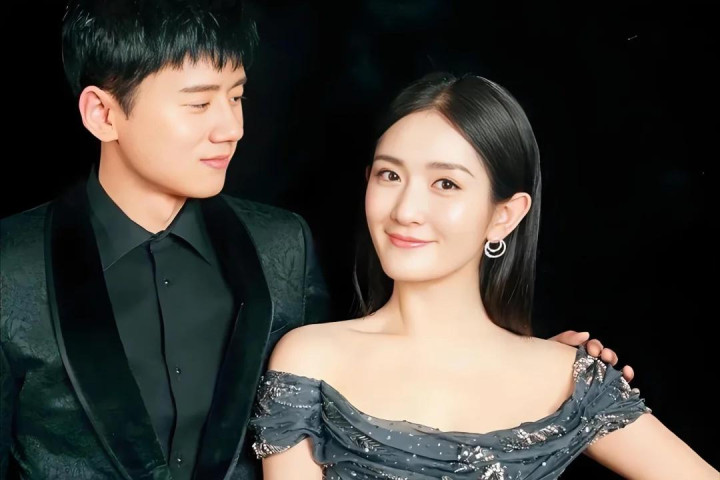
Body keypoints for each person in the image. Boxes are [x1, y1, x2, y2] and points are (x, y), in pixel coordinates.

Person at [0, 2, 630, 478]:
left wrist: (535, 379)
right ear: (102, 113)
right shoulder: (11, 263)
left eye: (237, 96)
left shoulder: (281, 244)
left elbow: (352, 386)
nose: (232, 127)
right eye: (199, 104)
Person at [249, 72, 718, 479]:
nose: (406, 210)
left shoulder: (569, 378)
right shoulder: (312, 359)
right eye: (390, 176)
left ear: (505, 215)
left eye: (446, 184)